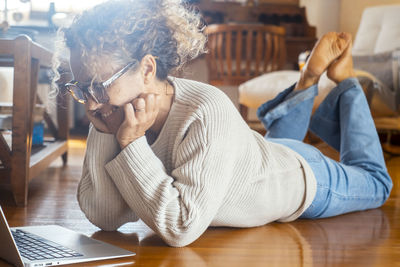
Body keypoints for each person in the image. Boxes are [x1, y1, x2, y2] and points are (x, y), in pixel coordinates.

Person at [56, 0, 392, 247]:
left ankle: (345, 83)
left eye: (98, 86)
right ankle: (305, 85)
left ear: (146, 69)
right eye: (81, 88)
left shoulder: (206, 110)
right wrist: (106, 131)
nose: (89, 101)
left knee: (377, 184)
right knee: (264, 153)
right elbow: (104, 216)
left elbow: (180, 227)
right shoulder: (111, 112)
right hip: (253, 164)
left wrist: (130, 144)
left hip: (299, 178)